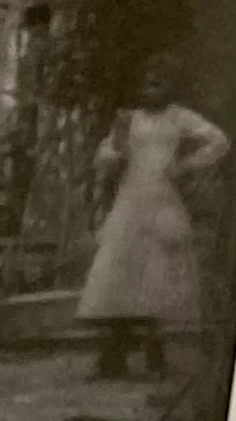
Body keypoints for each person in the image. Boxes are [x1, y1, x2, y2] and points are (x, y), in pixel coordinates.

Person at [79, 58, 229, 380]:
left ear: (171, 87)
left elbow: (219, 141)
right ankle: (114, 356)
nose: (151, 90)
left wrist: (185, 165)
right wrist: (117, 146)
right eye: (147, 84)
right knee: (121, 274)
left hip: (161, 200)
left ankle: (154, 357)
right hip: (131, 199)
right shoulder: (129, 119)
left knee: (156, 276)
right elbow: (104, 156)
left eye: (158, 84)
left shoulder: (180, 117)